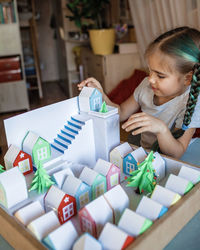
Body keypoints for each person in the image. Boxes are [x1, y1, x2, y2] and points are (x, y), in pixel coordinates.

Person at [78, 26, 200, 159]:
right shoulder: (146, 86)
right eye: (150, 70)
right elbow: (121, 113)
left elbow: (176, 153)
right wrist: (102, 95)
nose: (151, 79)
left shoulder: (192, 103)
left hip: (173, 159)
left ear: (188, 78)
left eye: (160, 76)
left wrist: (162, 129)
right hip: (147, 153)